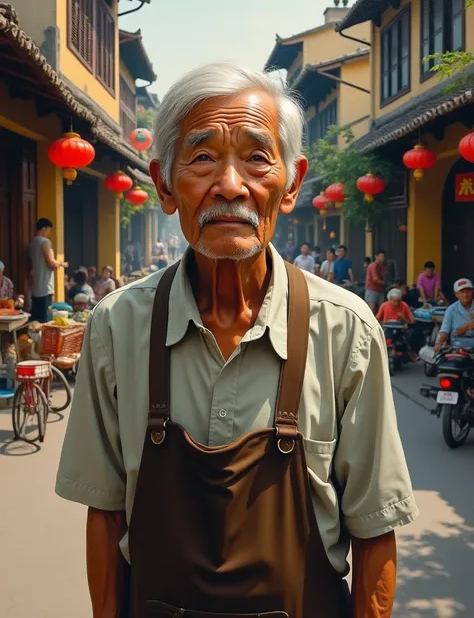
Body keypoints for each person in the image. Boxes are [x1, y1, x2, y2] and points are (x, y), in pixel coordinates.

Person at [56, 62, 418, 618]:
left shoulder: (347, 330)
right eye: (202, 157)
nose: (230, 184)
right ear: (164, 185)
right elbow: (106, 515)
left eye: (256, 157)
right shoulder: (116, 326)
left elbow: (374, 530)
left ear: (292, 183)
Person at [28, 218, 68, 323]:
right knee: (44, 319)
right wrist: (61, 264)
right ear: (44, 228)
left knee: (35, 318)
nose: (49, 232)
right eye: (48, 229)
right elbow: (51, 263)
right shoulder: (45, 242)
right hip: (45, 286)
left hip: (35, 285)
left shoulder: (32, 242)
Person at [435, 278, 474, 351]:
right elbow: (444, 331)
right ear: (456, 294)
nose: (465, 295)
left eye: (468, 291)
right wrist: (438, 344)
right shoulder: (451, 310)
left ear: (472, 292)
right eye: (462, 292)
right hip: (459, 347)